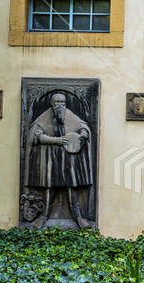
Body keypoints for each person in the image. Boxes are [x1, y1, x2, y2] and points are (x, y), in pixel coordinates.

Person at [25, 93, 92, 229]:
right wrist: (57, 141)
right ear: (52, 103)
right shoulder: (44, 117)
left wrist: (83, 135)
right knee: (50, 186)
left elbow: (82, 126)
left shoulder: (69, 114)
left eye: (62, 102)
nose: (60, 105)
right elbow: (36, 136)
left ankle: (78, 217)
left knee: (71, 186)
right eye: (57, 102)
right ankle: (44, 216)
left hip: (68, 158)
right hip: (51, 156)